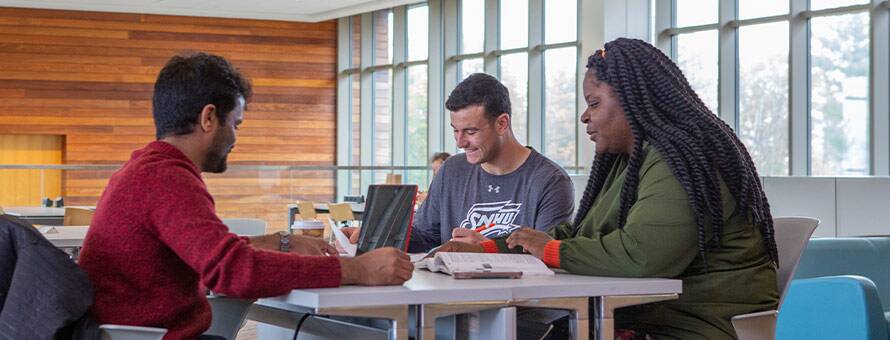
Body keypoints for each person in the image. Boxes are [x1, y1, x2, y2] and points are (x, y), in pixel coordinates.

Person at [440, 38, 779, 340]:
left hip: (695, 327)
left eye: (595, 103)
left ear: (633, 102)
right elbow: (580, 233)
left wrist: (552, 251)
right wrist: (492, 249)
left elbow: (642, 255)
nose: (584, 117)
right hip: (643, 319)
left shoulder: (682, 159)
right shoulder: (628, 162)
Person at [78, 52, 413, 340]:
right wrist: (357, 269)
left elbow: (208, 252)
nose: (235, 138)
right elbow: (232, 271)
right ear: (208, 118)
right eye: (235, 123)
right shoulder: (165, 178)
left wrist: (281, 242)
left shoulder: (147, 169)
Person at [345, 73, 574, 252]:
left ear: (502, 124)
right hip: (453, 301)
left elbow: (549, 257)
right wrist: (378, 235)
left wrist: (488, 250)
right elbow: (426, 236)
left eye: (471, 131)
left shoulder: (550, 181)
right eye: (455, 131)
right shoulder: (452, 170)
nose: (460, 142)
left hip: (521, 307)